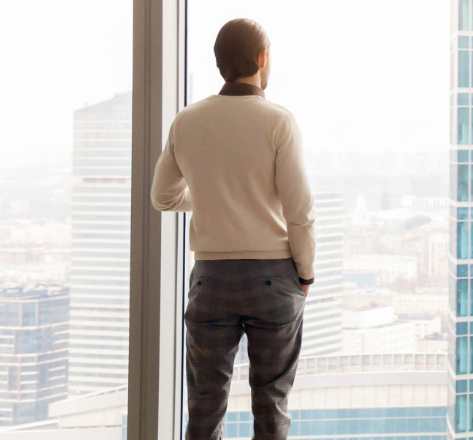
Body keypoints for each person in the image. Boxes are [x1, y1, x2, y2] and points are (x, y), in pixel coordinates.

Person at [150, 18, 314, 440]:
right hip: (273, 277)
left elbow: (163, 198)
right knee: (271, 405)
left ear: (219, 62)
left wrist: (212, 197)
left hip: (211, 279)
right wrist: (306, 273)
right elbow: (299, 211)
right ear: (262, 58)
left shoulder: (187, 121)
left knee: (204, 410)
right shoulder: (279, 121)